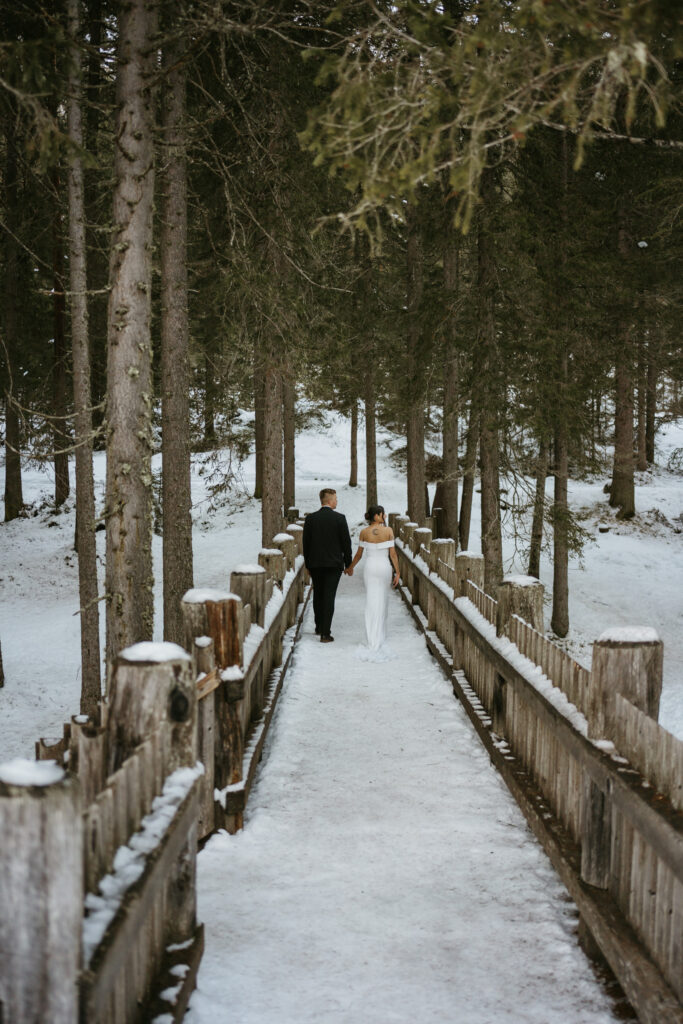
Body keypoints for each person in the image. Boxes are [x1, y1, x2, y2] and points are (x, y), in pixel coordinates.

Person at [346, 505, 400, 660]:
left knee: (371, 600)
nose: (384, 516)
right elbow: (393, 554)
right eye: (383, 514)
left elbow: (358, 555)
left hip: (370, 567)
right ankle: (380, 635)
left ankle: (372, 637)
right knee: (382, 599)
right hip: (384, 567)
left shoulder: (364, 532)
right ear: (377, 515)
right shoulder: (388, 531)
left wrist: (350, 568)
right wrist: (398, 572)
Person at [302, 487, 353, 643]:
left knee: (318, 594)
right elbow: (346, 543)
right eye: (336, 498)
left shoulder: (310, 519)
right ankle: (325, 633)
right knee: (329, 596)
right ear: (330, 501)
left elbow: (306, 544)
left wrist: (308, 565)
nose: (337, 501)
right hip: (333, 564)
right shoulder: (339, 518)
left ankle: (318, 626)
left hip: (315, 564)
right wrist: (348, 564)